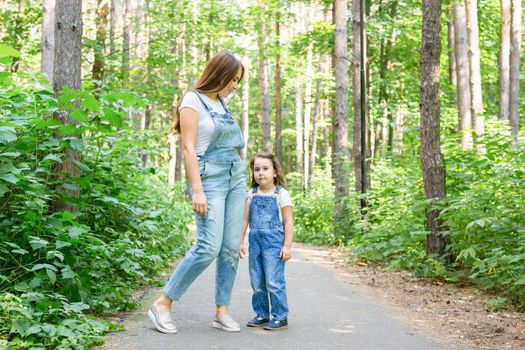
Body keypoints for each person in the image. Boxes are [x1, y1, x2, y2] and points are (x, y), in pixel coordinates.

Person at [148, 52, 246, 334]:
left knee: (229, 249)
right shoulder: (192, 100)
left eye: (238, 81)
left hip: (234, 177)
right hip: (209, 179)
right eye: (233, 80)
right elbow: (189, 148)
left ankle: (221, 310)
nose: (235, 86)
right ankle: (163, 303)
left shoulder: (222, 104)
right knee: (208, 247)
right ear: (220, 74)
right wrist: (198, 191)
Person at [239, 153, 294, 331]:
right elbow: (245, 220)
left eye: (265, 169)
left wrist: (287, 246)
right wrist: (241, 242)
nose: (261, 173)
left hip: (274, 243)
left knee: (273, 280)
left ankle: (280, 316)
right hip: (255, 242)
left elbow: (288, 222)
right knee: (257, 281)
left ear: (275, 172)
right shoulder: (251, 194)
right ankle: (262, 314)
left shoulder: (280, 194)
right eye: (256, 169)